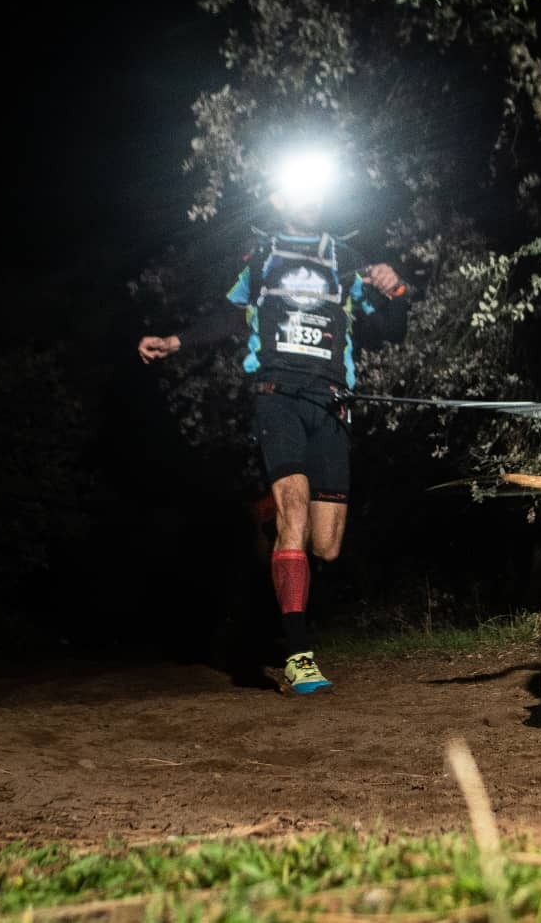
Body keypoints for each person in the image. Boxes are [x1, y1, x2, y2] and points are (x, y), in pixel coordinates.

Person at [138, 151, 409, 695]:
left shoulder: (347, 259)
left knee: (326, 545)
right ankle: (298, 654)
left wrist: (396, 290)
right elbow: (230, 315)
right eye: (297, 190)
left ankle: (266, 516)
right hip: (276, 394)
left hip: (331, 401)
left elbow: (392, 329)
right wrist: (176, 341)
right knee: (295, 514)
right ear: (281, 201)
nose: (307, 199)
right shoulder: (262, 258)